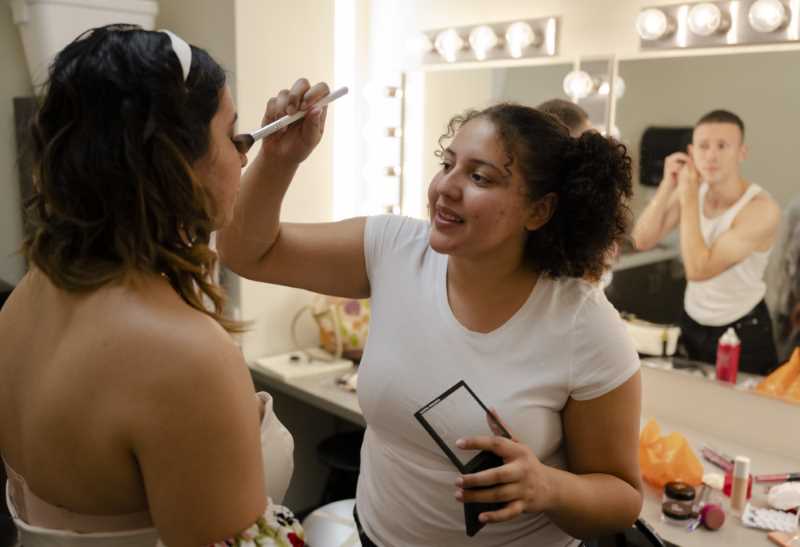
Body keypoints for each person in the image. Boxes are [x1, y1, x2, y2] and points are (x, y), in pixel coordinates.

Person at [218, 81, 643, 546]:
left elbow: (621, 498)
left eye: (480, 177)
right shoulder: (395, 250)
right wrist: (279, 160)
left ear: (539, 211)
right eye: (447, 164)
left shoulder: (583, 325)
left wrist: (547, 486)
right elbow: (247, 253)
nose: (445, 187)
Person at [0, 25, 311, 547]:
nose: (242, 156)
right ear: (176, 163)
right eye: (232, 136)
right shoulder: (183, 355)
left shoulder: (28, 298)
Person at [632, 110, 781, 375]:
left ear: (741, 152)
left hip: (743, 328)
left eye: (722, 146)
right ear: (691, 151)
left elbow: (699, 269)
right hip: (692, 321)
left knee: (740, 413)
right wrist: (668, 185)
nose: (711, 156)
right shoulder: (691, 190)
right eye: (703, 146)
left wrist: (688, 198)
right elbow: (642, 239)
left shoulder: (761, 209)